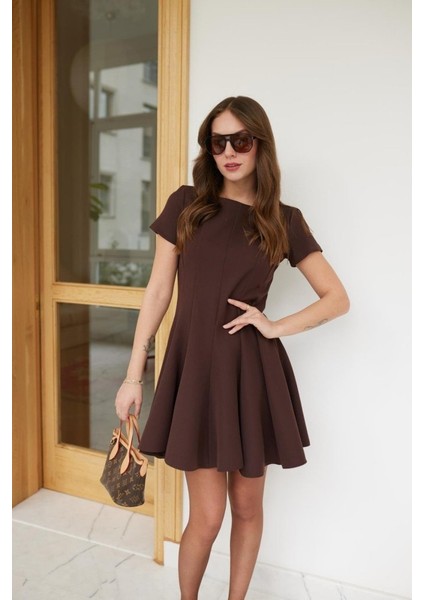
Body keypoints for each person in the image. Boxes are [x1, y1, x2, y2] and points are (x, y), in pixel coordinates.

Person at [114, 96, 350, 600]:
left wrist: (274, 326)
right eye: (217, 142)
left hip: (252, 375)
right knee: (206, 515)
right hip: (196, 373)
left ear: (260, 144)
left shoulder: (283, 219)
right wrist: (134, 374)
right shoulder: (186, 205)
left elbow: (337, 298)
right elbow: (158, 292)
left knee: (246, 507)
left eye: (240, 140)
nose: (228, 152)